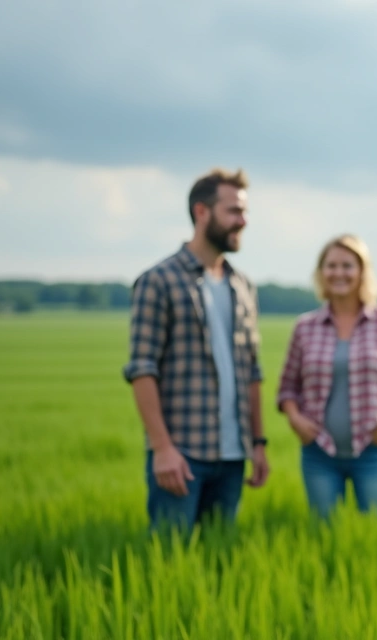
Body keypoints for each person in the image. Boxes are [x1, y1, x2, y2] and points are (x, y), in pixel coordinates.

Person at [123, 168, 269, 530]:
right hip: (182, 455)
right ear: (202, 212)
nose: (243, 221)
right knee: (170, 564)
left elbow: (252, 371)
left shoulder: (243, 286)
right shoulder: (158, 281)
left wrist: (259, 442)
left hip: (234, 455)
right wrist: (162, 449)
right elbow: (142, 369)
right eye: (234, 211)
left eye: (245, 212)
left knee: (217, 563)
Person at [277, 234, 377, 523]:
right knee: (325, 536)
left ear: (362, 272)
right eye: (331, 266)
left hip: (373, 450)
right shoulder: (304, 327)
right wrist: (295, 419)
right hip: (319, 452)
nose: (338, 273)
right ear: (321, 272)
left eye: (347, 265)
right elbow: (287, 388)